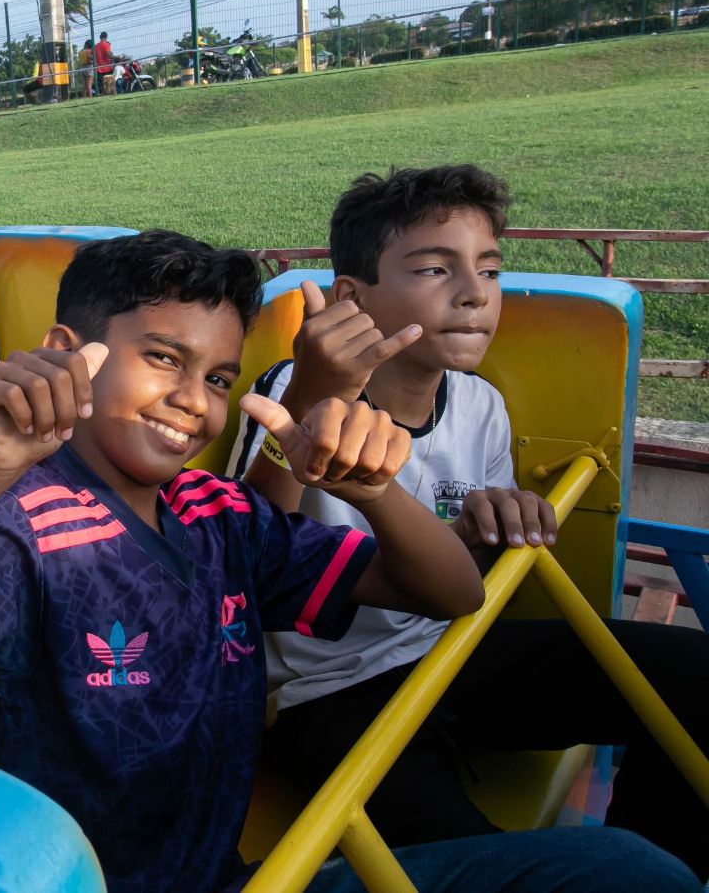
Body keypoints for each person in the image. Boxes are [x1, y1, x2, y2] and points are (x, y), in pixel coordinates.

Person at [0, 230, 695, 891]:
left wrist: (372, 487)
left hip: (246, 877)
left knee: (624, 871)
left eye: (220, 378)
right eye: (161, 359)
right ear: (69, 354)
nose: (193, 400)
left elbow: (452, 591)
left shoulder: (216, 512)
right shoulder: (24, 529)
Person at [231, 165, 709, 879]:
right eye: (434, 268)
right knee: (478, 858)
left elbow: (471, 585)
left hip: (454, 658)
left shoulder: (482, 404)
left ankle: (656, 863)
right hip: (329, 697)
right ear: (352, 298)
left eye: (489, 268)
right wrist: (309, 399)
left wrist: (492, 528)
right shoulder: (296, 396)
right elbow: (247, 554)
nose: (475, 293)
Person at [94, 30, 114, 95]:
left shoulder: (96, 46)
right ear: (106, 37)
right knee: (109, 83)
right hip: (107, 68)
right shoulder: (107, 44)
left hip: (99, 69)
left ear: (100, 37)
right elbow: (109, 55)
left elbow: (92, 56)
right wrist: (116, 57)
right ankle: (110, 94)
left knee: (102, 84)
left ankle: (103, 94)